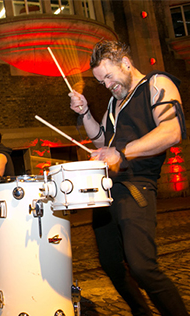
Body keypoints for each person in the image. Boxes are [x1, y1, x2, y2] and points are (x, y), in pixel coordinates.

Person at [69, 40, 188, 316]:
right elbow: (102, 141)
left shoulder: (157, 84)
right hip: (108, 190)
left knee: (141, 266)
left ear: (125, 62)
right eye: (101, 82)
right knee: (111, 264)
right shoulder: (115, 102)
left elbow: (172, 131)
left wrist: (121, 152)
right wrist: (85, 112)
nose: (107, 85)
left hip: (136, 187)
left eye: (109, 76)